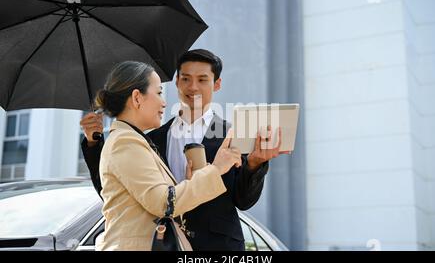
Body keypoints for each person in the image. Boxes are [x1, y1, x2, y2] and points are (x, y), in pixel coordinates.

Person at [81, 49, 289, 250]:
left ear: (217, 84)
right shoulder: (147, 139)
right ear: (177, 81)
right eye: (186, 78)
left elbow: (243, 200)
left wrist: (254, 164)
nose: (193, 87)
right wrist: (93, 144)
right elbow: (116, 193)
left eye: (202, 79)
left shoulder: (232, 135)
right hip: (164, 242)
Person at [92, 61, 241, 251]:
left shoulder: (132, 140)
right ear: (137, 98)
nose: (164, 102)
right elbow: (164, 203)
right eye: (159, 93)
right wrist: (216, 168)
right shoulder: (125, 142)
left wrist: (191, 181)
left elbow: (162, 203)